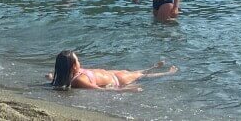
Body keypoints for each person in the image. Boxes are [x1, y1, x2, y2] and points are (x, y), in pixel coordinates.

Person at [48, 50, 177, 90]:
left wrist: (51, 78)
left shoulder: (66, 76)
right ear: (73, 66)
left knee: (138, 72)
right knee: (140, 75)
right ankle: (167, 73)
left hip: (112, 73)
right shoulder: (79, 80)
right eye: (77, 60)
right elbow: (100, 90)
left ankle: (152, 67)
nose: (79, 62)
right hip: (117, 80)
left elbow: (60, 80)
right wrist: (126, 90)